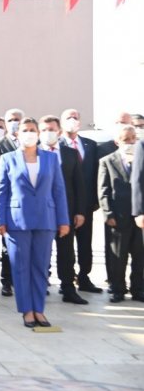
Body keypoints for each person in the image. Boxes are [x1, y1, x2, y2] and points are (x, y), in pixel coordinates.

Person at [0, 117, 70, 328]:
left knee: (41, 266)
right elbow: (0, 192)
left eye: (32, 130)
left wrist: (63, 220)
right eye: (25, 130)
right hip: (17, 221)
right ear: (18, 134)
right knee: (20, 267)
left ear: (38, 133)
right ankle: (27, 310)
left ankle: (39, 310)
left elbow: (59, 190)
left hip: (45, 219)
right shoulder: (7, 159)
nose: (29, 133)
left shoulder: (50, 159)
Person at [39, 116, 88, 305]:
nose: (48, 133)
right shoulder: (33, 153)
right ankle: (40, 285)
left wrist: (80, 211)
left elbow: (79, 184)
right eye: (44, 130)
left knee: (67, 252)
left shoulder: (70, 153)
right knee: (42, 252)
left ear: (59, 131)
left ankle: (68, 288)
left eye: (51, 129)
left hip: (65, 212)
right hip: (42, 212)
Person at [59, 108, 102, 294]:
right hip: (64, 205)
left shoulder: (90, 145)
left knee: (85, 244)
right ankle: (67, 280)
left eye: (75, 117)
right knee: (65, 246)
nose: (72, 120)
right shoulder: (57, 146)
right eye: (68, 117)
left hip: (86, 205)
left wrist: (95, 201)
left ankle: (84, 277)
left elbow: (96, 174)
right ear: (62, 122)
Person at [99, 125, 143, 303]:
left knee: (139, 256)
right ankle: (117, 288)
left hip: (139, 217)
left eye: (133, 139)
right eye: (126, 140)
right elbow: (103, 190)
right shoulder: (107, 161)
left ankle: (138, 288)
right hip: (118, 216)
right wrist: (108, 213)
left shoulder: (141, 158)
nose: (130, 142)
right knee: (118, 255)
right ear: (117, 141)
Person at [0, 109, 25, 297]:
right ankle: (7, 281)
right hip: (9, 204)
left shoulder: (33, 145)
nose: (14, 123)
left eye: (17, 119)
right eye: (11, 120)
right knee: (8, 248)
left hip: (29, 205)